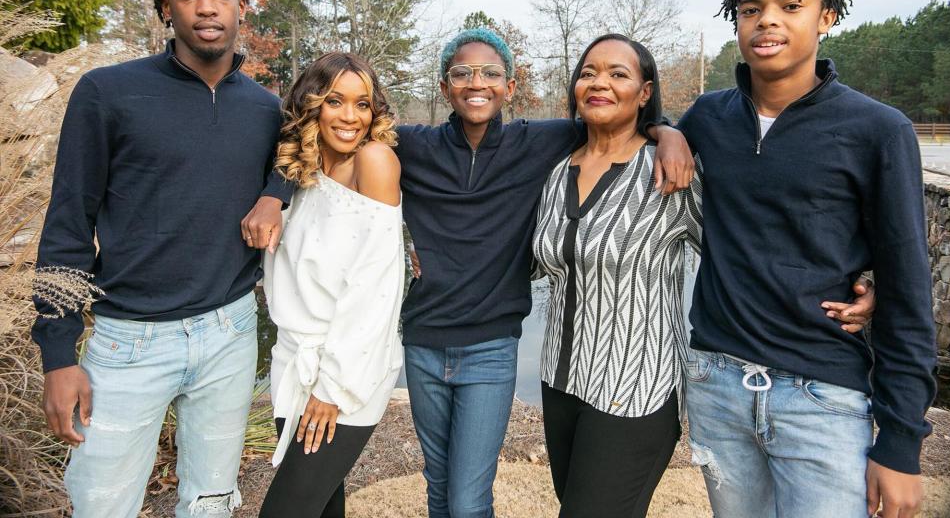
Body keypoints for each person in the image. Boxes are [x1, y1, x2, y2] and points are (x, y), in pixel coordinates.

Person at [532, 33, 875, 517]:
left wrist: (862, 279)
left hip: (635, 389)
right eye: (588, 72)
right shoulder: (556, 173)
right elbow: (533, 260)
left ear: (645, 92)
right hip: (560, 381)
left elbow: (752, 244)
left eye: (617, 73)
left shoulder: (669, 173)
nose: (599, 82)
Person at [31, 0, 289, 518]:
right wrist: (57, 352)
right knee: (101, 505)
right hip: (128, 340)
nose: (206, 7)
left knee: (210, 505)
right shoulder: (108, 93)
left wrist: (276, 194)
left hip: (229, 330)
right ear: (162, 6)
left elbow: (302, 156)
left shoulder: (265, 109)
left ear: (242, 4)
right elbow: (69, 224)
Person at [678, 0, 937, 518]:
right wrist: (663, 131)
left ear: (826, 18)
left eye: (790, 5)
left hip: (822, 396)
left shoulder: (878, 130)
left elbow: (907, 288)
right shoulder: (706, 119)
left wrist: (900, 443)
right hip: (716, 382)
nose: (766, 19)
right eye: (750, 8)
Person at [395, 28, 693, 518]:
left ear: (511, 87)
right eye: (462, 73)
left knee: (469, 501)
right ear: (445, 86)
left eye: (492, 73)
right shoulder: (416, 145)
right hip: (510, 362)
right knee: (439, 487)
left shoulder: (541, 144)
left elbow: (623, 120)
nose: (477, 83)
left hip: (589, 371)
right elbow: (339, 131)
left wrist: (669, 131)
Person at [257, 52, 404, 518]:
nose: (350, 116)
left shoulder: (374, 162)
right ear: (312, 104)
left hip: (346, 371)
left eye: (362, 104)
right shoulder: (298, 175)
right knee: (322, 507)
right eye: (336, 101)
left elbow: (376, 289)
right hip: (292, 362)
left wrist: (332, 388)